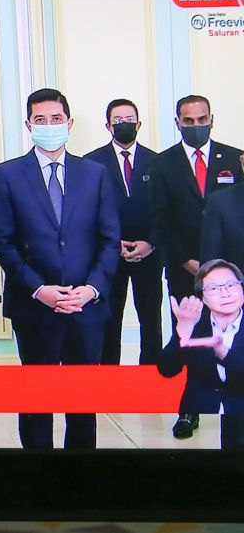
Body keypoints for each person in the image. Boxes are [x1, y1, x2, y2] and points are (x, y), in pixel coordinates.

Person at [0, 88, 120, 449]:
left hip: (86, 306)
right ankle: (38, 475)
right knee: (36, 399)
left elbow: (110, 240)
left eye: (56, 119)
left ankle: (78, 477)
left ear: (69, 122)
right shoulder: (8, 175)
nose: (49, 126)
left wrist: (92, 288)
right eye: (41, 120)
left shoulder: (94, 174)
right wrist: (39, 289)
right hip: (34, 307)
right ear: (28, 125)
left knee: (82, 402)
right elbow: (2, 241)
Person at [148, 94, 244, 439]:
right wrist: (191, 265)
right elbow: (159, 222)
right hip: (184, 270)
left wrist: (222, 274)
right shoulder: (162, 165)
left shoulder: (234, 157)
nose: (196, 125)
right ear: (177, 123)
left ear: (212, 119)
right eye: (188, 121)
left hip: (234, 278)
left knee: (236, 340)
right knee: (192, 339)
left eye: (201, 119)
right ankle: (191, 409)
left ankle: (235, 404)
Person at [84, 99, 162, 365]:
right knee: (109, 318)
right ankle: (109, 377)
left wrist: (150, 242)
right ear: (108, 126)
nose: (124, 125)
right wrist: (112, 244)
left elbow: (164, 208)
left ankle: (151, 376)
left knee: (151, 317)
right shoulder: (91, 163)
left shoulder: (157, 161)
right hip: (109, 254)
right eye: (118, 121)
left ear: (139, 124)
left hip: (149, 254)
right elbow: (86, 211)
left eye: (129, 120)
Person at [159, 259, 244, 448]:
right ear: (203, 297)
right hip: (203, 404)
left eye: (231, 285)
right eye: (214, 288)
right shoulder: (196, 323)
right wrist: (182, 333)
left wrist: (222, 351)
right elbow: (166, 369)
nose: (225, 293)